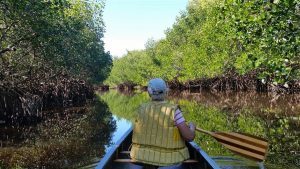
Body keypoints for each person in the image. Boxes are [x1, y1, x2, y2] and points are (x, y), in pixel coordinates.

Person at [130, 78, 196, 169]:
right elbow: (189, 137)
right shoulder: (174, 111)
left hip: (140, 157)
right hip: (170, 160)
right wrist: (192, 127)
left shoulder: (141, 109)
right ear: (166, 92)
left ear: (149, 93)